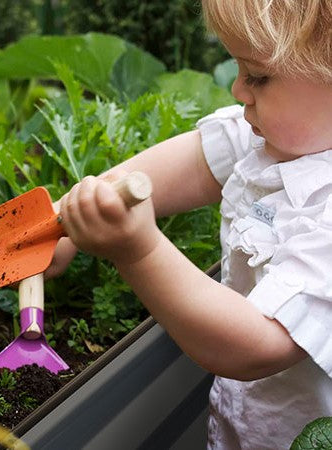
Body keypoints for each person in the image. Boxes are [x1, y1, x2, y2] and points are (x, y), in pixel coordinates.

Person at [44, 1, 332, 448]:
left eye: (258, 75)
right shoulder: (277, 139)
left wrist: (137, 250)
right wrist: (64, 218)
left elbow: (256, 344)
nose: (238, 89)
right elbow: (192, 165)